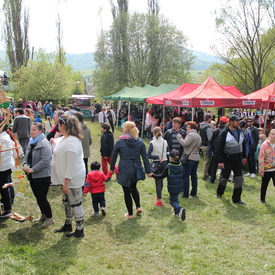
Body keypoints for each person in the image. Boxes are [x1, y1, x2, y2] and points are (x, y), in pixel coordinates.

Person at [51, 114, 85, 238]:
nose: (57, 127)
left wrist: (66, 183)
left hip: (72, 179)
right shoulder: (66, 138)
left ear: (64, 126)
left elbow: (71, 166)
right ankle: (68, 224)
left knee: (75, 203)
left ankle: (80, 230)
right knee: (66, 202)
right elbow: (59, 145)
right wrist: (54, 142)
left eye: (58, 125)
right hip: (66, 178)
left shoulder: (72, 143)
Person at [110, 121, 151, 219]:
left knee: (126, 191)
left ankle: (130, 214)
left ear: (125, 129)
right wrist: (148, 170)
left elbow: (114, 156)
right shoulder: (140, 141)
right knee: (134, 187)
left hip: (125, 167)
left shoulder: (120, 141)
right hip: (136, 167)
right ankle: (138, 206)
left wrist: (111, 168)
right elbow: (145, 157)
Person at [23, 122, 54, 227]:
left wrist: (33, 169)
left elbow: (46, 161)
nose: (31, 132)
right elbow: (26, 155)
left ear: (40, 131)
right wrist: (25, 164)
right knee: (38, 197)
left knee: (42, 197)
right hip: (32, 176)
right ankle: (43, 214)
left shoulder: (44, 144)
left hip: (42, 176)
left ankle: (50, 218)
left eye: (34, 130)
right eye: (31, 129)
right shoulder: (31, 142)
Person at [216, 115, 247, 204]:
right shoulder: (224, 132)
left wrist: (244, 156)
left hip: (238, 159)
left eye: (238, 121)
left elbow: (243, 144)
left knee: (238, 179)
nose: (238, 122)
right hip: (227, 159)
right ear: (231, 122)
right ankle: (219, 192)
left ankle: (237, 198)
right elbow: (219, 147)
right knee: (224, 178)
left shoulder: (240, 132)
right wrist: (220, 161)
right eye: (236, 121)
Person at [151, 149, 186, 221]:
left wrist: (153, 175)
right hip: (179, 186)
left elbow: (161, 176)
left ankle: (180, 209)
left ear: (171, 157)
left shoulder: (169, 167)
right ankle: (177, 213)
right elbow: (184, 176)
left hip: (172, 187)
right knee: (175, 199)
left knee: (172, 201)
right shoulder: (181, 166)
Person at [177, 121, 202, 198]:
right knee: (194, 176)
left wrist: (179, 137)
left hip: (189, 158)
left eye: (187, 127)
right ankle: (194, 192)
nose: (186, 128)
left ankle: (185, 194)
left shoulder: (190, 135)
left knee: (186, 176)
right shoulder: (198, 136)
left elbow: (185, 143)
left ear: (191, 127)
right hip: (196, 157)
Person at [147, 127, 168, 206]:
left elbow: (148, 155)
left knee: (158, 182)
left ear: (153, 133)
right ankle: (159, 195)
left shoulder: (152, 142)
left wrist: (156, 157)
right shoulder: (165, 142)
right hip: (165, 162)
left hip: (156, 163)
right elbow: (167, 152)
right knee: (161, 179)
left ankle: (159, 199)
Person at [0, 118, 15, 218]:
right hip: (6, 164)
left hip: (3, 166)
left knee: (3, 187)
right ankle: (8, 204)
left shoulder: (2, 137)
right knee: (7, 184)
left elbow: (3, 154)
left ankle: (8, 208)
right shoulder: (4, 135)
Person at [209, 116, 228, 183]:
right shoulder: (226, 132)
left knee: (214, 165)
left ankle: (212, 178)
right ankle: (222, 178)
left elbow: (212, 141)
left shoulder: (216, 131)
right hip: (223, 151)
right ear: (226, 123)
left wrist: (213, 150)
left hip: (216, 151)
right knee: (224, 166)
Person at [258, 129, 275, 203]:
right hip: (266, 169)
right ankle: (262, 199)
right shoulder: (265, 144)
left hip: (274, 169)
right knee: (264, 184)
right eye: (272, 134)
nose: (273, 136)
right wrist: (261, 170)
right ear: (269, 135)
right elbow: (261, 157)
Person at [199, 113, 213, 180]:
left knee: (206, 161)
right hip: (207, 145)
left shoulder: (200, 126)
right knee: (207, 161)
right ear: (209, 119)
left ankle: (206, 174)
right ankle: (205, 175)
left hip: (202, 144)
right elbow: (210, 138)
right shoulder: (208, 127)